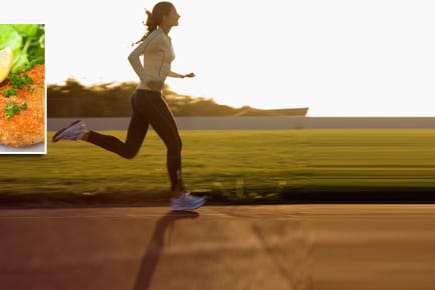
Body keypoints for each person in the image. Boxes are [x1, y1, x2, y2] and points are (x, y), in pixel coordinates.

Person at [53, 1, 206, 211]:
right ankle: (178, 195)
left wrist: (181, 76)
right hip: (148, 97)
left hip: (145, 97)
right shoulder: (158, 36)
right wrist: (146, 78)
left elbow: (161, 67)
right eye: (175, 13)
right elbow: (133, 57)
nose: (179, 16)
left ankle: (82, 133)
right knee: (174, 143)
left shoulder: (165, 38)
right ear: (165, 16)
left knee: (129, 150)